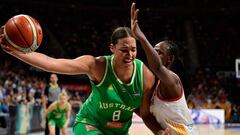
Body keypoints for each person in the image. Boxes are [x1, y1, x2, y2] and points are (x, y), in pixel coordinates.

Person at [0, 25, 168, 134]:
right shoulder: (96, 65)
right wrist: (15, 51)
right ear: (112, 48)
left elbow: (145, 114)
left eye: (133, 49)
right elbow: (52, 63)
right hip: (90, 123)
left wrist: (160, 132)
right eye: (124, 49)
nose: (130, 54)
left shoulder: (145, 75)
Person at [131, 2, 198, 135]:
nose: (155, 54)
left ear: (170, 59)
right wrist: (160, 132)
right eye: (154, 52)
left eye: (159, 52)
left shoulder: (173, 80)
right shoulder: (153, 85)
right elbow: (146, 115)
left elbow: (156, 67)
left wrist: (141, 37)